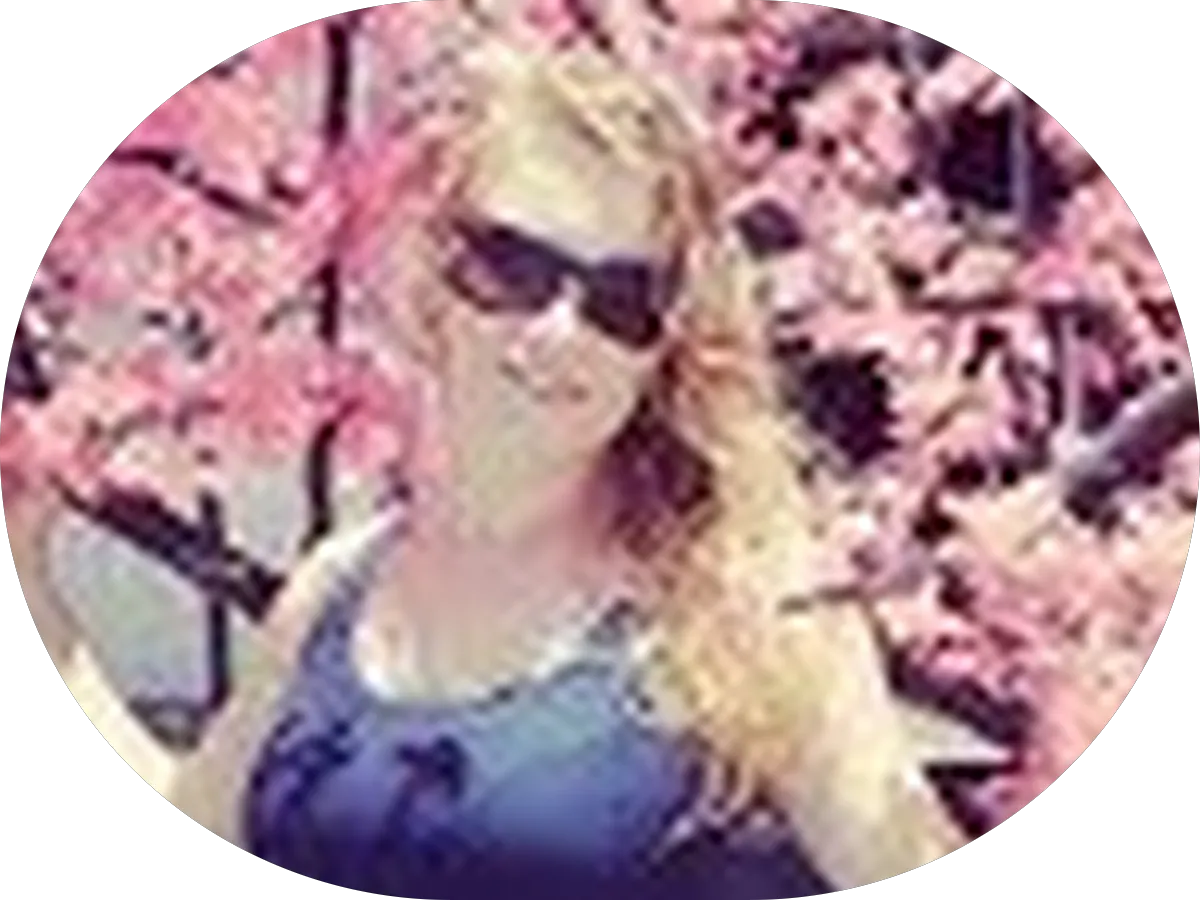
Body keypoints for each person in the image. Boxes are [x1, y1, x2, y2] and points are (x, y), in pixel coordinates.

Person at [40, 31, 1002, 900]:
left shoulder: (750, 606)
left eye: (623, 299)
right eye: (514, 266)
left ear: (664, 348)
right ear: (434, 274)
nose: (559, 331)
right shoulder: (337, 589)